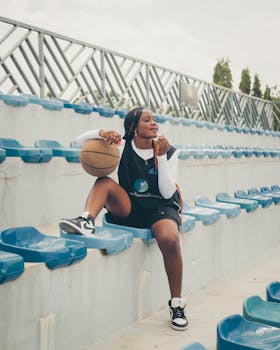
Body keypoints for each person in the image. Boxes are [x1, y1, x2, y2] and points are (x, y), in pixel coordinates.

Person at [59, 107, 188, 331]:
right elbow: (80, 141)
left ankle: (177, 303)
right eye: (147, 120)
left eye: (155, 120)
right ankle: (86, 220)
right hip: (131, 206)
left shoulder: (169, 150)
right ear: (133, 127)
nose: (154, 123)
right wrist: (101, 133)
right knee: (104, 182)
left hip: (160, 207)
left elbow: (167, 192)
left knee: (170, 240)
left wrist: (161, 157)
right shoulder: (121, 146)